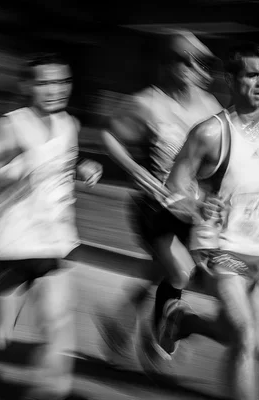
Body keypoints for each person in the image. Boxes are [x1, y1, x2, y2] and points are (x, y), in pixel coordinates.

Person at [0, 53, 102, 400]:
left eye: (61, 82)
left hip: (54, 239)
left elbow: (60, 163)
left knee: (58, 322)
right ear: (27, 86)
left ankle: (49, 389)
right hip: (11, 242)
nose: (54, 89)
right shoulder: (12, 125)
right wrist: (12, 172)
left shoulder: (69, 124)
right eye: (44, 82)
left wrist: (83, 167)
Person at [161, 42, 259, 400]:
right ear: (231, 79)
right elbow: (174, 186)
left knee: (258, 345)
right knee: (243, 337)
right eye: (252, 74)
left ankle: (185, 321)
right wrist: (197, 207)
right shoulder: (211, 133)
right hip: (219, 248)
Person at [95, 30, 223, 364]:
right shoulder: (148, 102)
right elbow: (109, 134)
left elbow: (221, 154)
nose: (192, 66)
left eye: (200, 60)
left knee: (166, 271)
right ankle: (155, 338)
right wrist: (135, 170)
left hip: (190, 209)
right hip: (152, 206)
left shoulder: (210, 106)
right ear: (169, 63)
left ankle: (122, 321)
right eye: (184, 58)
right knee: (178, 272)